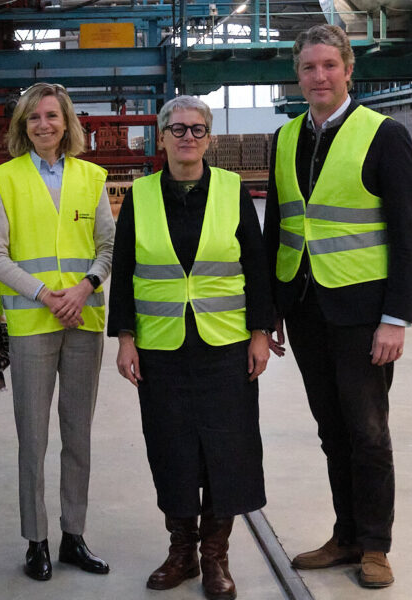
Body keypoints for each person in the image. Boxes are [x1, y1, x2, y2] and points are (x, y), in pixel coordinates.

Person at [265, 24, 412, 589]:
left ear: (349, 69)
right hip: (305, 306)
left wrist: (396, 318)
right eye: (309, 67)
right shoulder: (284, 138)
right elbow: (277, 227)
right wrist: (272, 310)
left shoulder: (383, 135)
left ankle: (376, 546)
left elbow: (408, 235)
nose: (319, 76)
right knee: (331, 430)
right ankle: (346, 534)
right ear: (297, 74)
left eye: (329, 65)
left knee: (368, 432)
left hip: (363, 312)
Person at [109, 96, 280, 600]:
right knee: (171, 448)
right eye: (177, 129)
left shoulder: (232, 190)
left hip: (224, 346)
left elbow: (256, 266)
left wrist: (259, 333)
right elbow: (124, 273)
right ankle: (180, 550)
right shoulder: (140, 196)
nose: (188, 137)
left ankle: (215, 556)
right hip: (161, 349)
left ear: (211, 138)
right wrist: (124, 339)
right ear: (161, 137)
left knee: (227, 449)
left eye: (198, 129)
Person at [0, 82, 114, 582]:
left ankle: (73, 536)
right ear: (22, 126)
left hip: (84, 321)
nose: (43, 125)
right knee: (33, 437)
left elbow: (107, 245)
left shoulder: (92, 177)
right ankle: (35, 538)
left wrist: (84, 288)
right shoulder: (6, 179)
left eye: (52, 116)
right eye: (33, 117)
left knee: (77, 434)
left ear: (67, 123)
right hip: (33, 323)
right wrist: (44, 294)